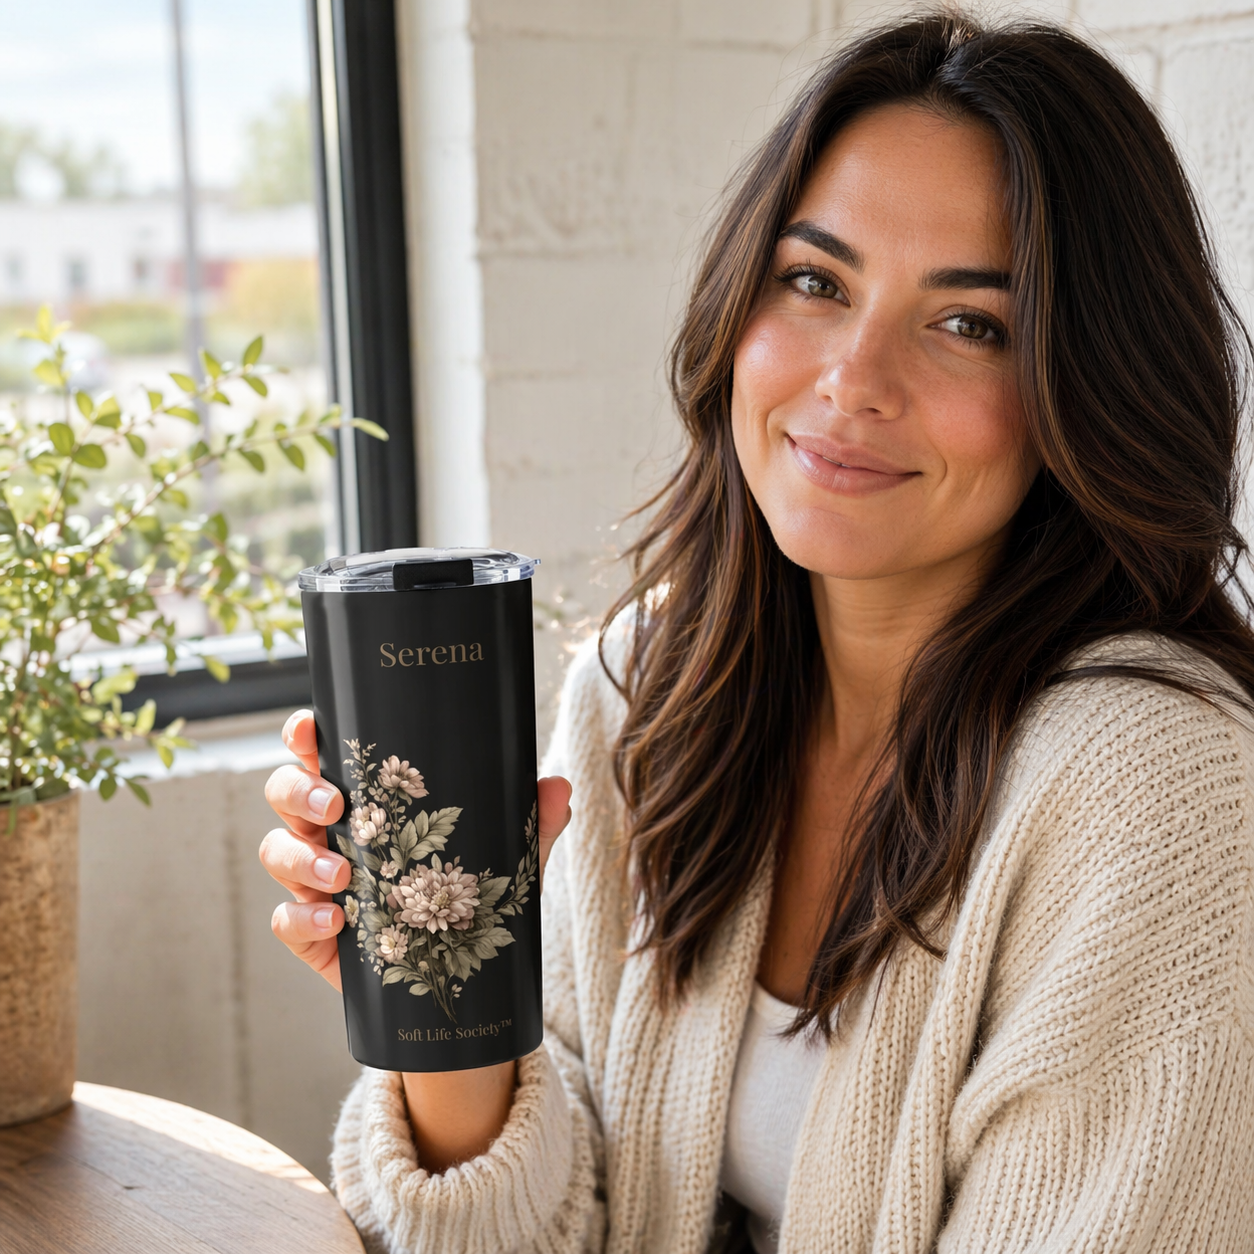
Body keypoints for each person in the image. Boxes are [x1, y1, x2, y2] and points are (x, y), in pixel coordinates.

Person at [260, 12, 1254, 1252]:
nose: (852, 379)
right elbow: (534, 1228)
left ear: (1082, 386)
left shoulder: (1158, 792)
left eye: (969, 325)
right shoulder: (649, 688)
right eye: (816, 281)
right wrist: (449, 990)